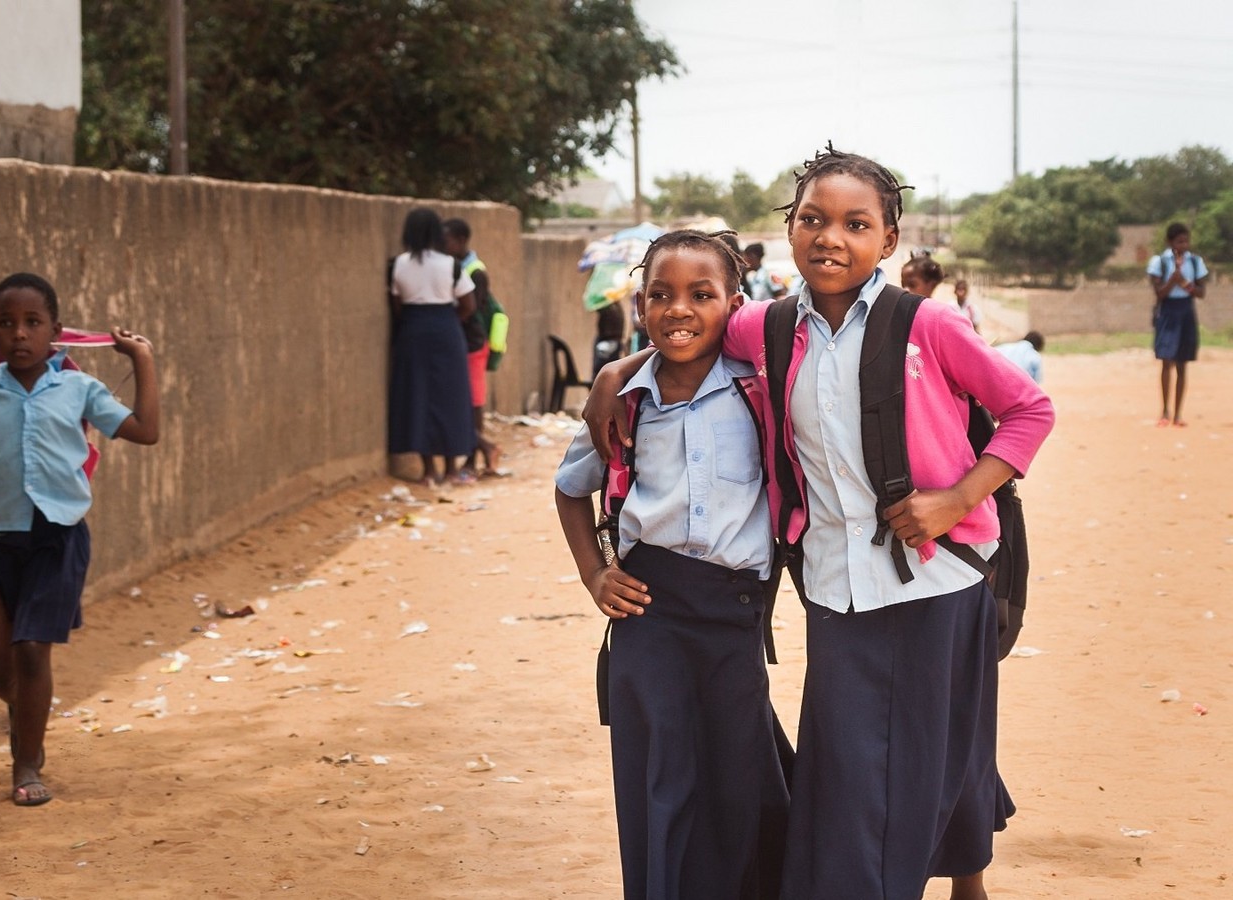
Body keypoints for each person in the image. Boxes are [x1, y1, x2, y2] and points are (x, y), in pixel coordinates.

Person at [584, 146, 1055, 900]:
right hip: (836, 592)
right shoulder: (763, 331)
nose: (830, 237)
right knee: (849, 786)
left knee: (943, 749)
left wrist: (959, 498)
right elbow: (688, 332)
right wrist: (617, 373)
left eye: (854, 223)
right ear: (792, 230)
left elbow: (1029, 411)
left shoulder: (927, 327)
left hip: (940, 578)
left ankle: (968, 879)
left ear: (887, 243)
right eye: (813, 219)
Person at [554, 230, 789, 900]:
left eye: (700, 294)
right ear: (639, 306)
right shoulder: (623, 404)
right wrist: (595, 573)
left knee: (737, 780)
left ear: (735, 305)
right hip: (648, 615)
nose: (677, 308)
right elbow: (572, 489)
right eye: (660, 294)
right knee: (660, 784)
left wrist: (611, 368)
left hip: (732, 615)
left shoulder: (760, 393)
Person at [0, 272, 160, 807]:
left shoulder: (79, 389)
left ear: (55, 332)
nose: (19, 334)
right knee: (1, 666)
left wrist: (142, 360)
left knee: (30, 651)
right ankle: (22, 711)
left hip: (56, 538)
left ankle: (27, 762)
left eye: (32, 323)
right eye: (6, 323)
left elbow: (145, 430)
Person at [389, 207, 478, 486]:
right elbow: (469, 305)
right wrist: (448, 322)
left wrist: (417, 322)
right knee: (451, 398)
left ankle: (428, 470)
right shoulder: (451, 264)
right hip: (446, 330)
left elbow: (397, 305)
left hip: (412, 333)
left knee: (418, 397)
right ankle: (451, 468)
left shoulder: (398, 264)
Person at [441, 218, 502, 478]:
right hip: (463, 343)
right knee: (462, 401)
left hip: (473, 344)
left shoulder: (475, 271)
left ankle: (474, 456)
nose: (443, 246)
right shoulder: (459, 267)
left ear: (461, 240)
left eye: (448, 241)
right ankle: (480, 451)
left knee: (473, 402)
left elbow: (470, 309)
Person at [1148, 222, 1210, 427]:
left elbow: (1201, 293)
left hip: (1186, 311)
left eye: (1186, 241)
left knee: (1182, 364)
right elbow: (1159, 293)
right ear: (1170, 242)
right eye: (1179, 241)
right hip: (1168, 312)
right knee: (1166, 361)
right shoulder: (1160, 262)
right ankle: (1165, 411)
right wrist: (1173, 280)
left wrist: (1185, 283)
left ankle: (1178, 414)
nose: (1183, 245)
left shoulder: (1195, 261)